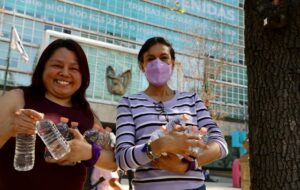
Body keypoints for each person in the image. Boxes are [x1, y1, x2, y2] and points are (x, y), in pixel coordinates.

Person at [0, 39, 117, 190]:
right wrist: (10, 127)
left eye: (74, 68)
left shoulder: (88, 115)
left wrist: (89, 152)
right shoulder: (17, 98)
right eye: (57, 65)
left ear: (83, 75)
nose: (65, 73)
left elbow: (114, 162)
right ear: (42, 68)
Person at [115, 37, 228, 190]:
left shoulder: (192, 99)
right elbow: (121, 159)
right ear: (142, 65)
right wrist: (160, 145)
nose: (157, 64)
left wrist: (188, 165)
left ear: (172, 64)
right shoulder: (128, 103)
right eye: (150, 59)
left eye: (163, 58)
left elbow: (220, 144)